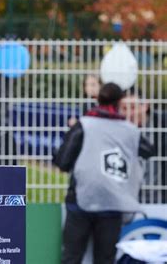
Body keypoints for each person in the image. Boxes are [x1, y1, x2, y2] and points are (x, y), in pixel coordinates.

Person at [53, 83, 154, 264]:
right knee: (105, 259)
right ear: (119, 103)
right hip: (112, 203)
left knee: (72, 257)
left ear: (97, 99)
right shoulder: (128, 130)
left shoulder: (84, 124)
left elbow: (63, 160)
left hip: (81, 201)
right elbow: (148, 150)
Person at [121, 91, 166, 203]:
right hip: (130, 195)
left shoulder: (162, 123)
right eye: (124, 109)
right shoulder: (118, 128)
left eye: (132, 107)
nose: (129, 113)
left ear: (145, 106)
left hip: (161, 192)